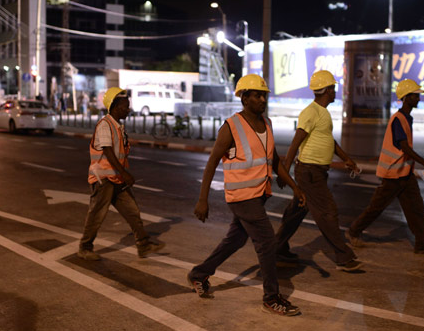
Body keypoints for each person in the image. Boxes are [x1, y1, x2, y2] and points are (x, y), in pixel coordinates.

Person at [189, 74, 306, 316]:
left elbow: (273, 161)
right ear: (244, 98)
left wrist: (295, 187)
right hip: (241, 196)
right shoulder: (231, 127)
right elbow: (211, 163)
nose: (262, 99)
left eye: (264, 94)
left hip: (259, 194)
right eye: (256, 95)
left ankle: (199, 274)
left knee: (236, 239)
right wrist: (203, 199)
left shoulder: (268, 124)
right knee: (267, 242)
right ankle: (271, 297)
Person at [275, 70, 363, 272]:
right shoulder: (311, 112)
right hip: (309, 172)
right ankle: (343, 257)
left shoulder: (323, 113)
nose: (335, 92)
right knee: (327, 212)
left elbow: (328, 141)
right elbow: (296, 141)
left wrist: (346, 159)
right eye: (333, 88)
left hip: (316, 171)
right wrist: (285, 171)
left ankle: (277, 248)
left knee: (296, 212)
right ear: (326, 90)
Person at [347, 79, 424, 255]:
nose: (418, 98)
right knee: (376, 207)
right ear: (406, 98)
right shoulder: (399, 119)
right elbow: (404, 147)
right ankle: (353, 231)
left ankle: (422, 245)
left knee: (416, 210)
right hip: (393, 175)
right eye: (415, 95)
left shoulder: (406, 118)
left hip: (405, 174)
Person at [78, 87, 164, 260]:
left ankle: (143, 244)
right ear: (116, 107)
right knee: (97, 213)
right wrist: (124, 173)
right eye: (126, 106)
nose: (128, 109)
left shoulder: (118, 127)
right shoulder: (105, 125)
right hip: (103, 178)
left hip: (116, 178)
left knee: (132, 210)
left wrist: (122, 174)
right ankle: (85, 247)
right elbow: (108, 152)